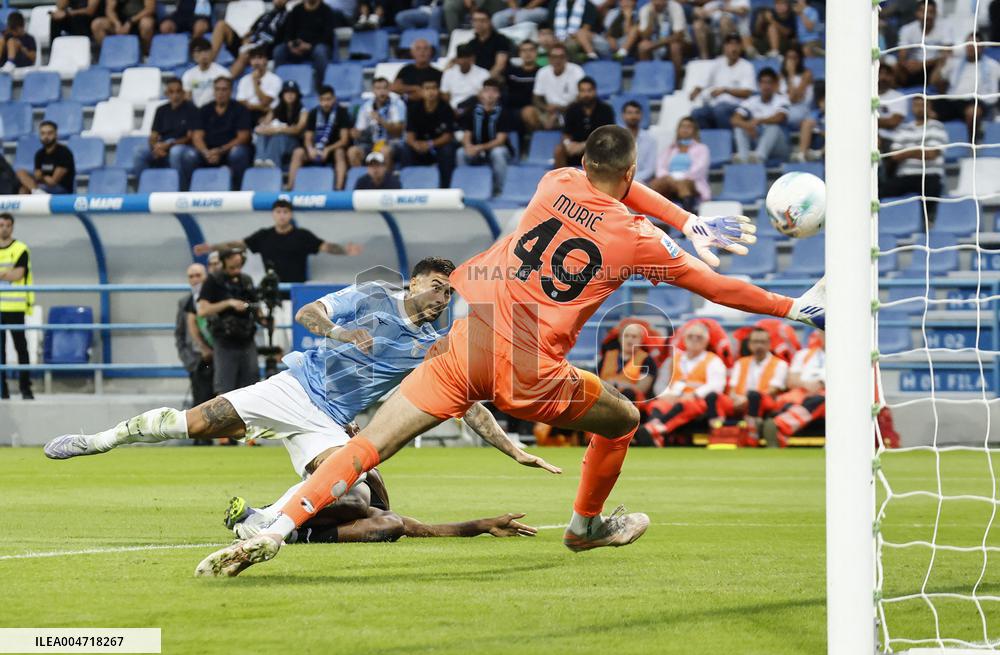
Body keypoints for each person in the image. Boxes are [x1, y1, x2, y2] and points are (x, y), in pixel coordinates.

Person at [194, 124, 828, 576]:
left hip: (471, 338)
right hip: (530, 369)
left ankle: (277, 526)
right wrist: (792, 307)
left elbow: (616, 183)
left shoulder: (554, 181)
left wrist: (685, 219)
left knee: (365, 447)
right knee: (623, 419)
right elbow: (716, 286)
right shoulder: (638, 239)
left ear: (584, 163)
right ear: (632, 172)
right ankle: (585, 527)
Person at [46, 260, 561, 533]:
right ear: (414, 283)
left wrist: (513, 449)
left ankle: (264, 519)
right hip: (293, 388)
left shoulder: (431, 347)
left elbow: (467, 404)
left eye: (449, 293)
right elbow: (307, 313)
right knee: (193, 423)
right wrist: (340, 333)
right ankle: (99, 440)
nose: (442, 298)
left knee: (357, 494)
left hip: (330, 421)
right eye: (436, 287)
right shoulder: (371, 296)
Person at [227, 468, 540, 544]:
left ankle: (283, 529)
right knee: (360, 499)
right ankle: (268, 518)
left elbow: (423, 529)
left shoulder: (370, 480)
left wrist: (484, 525)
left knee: (392, 523)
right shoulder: (332, 461)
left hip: (323, 514)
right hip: (314, 500)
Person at [193, 199, 362, 286]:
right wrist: (211, 248)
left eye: (285, 212)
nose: (282, 215)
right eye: (278, 212)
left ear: (291, 215)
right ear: (273, 214)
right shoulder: (263, 236)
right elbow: (237, 245)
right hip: (273, 292)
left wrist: (345, 250)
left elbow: (326, 246)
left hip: (296, 291)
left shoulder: (302, 236)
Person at [635, 322, 728, 446]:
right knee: (658, 405)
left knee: (685, 405)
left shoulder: (714, 360)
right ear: (684, 339)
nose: (694, 339)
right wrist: (667, 395)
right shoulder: (673, 359)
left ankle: (655, 429)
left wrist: (694, 394)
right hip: (673, 397)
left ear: (706, 341)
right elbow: (661, 383)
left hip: (698, 401)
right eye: (690, 336)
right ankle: (656, 436)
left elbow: (716, 385)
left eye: (699, 337)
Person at [195, 249, 260, 396]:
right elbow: (203, 310)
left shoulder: (246, 280)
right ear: (224, 262)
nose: (236, 270)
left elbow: (256, 306)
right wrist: (228, 303)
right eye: (232, 267)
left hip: (246, 338)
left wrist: (261, 315)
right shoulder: (213, 281)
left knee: (251, 387)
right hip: (225, 341)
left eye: (239, 266)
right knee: (225, 388)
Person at [881, 95, 946, 219]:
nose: (919, 108)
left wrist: (906, 152)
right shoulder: (903, 128)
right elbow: (894, 155)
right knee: (882, 190)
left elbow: (931, 154)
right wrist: (919, 151)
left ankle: (928, 222)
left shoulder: (937, 126)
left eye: (923, 105)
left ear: (929, 107)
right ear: (912, 108)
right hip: (905, 175)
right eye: (916, 105)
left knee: (931, 188)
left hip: (929, 174)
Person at [715, 327, 788, 431]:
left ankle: (752, 432)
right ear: (749, 344)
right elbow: (732, 389)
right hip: (739, 400)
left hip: (764, 401)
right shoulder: (740, 363)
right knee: (713, 397)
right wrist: (736, 398)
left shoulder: (780, 364)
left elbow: (772, 390)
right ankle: (718, 431)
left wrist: (747, 399)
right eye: (755, 342)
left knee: (754, 396)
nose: (759, 345)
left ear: (769, 344)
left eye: (762, 342)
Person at [187, 77, 253, 191]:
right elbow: (197, 136)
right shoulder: (204, 109)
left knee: (238, 153)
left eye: (224, 89)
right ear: (213, 91)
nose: (220, 93)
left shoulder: (240, 109)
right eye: (217, 89)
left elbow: (243, 137)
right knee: (183, 154)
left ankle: (238, 191)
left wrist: (220, 150)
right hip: (207, 152)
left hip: (230, 151)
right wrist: (206, 153)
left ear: (231, 91)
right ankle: (186, 191)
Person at [931, 33, 1000, 141]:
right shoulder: (954, 63)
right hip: (953, 100)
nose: (970, 47)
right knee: (927, 111)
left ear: (982, 47)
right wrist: (941, 61)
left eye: (974, 44)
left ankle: (974, 141)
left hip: (978, 101)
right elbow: (934, 82)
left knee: (972, 112)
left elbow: (994, 93)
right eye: (968, 44)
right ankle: (931, 141)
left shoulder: (993, 65)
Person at [285, 85, 353, 191]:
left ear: (334, 99)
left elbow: (344, 140)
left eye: (328, 99)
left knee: (339, 153)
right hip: (316, 149)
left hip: (332, 150)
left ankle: (339, 188)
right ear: (319, 100)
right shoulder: (313, 113)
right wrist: (310, 149)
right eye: (322, 100)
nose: (325, 103)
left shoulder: (342, 112)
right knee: (298, 152)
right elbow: (308, 137)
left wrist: (328, 149)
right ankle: (290, 188)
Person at [765, 331, 824, 448]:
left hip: (828, 395)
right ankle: (777, 429)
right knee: (789, 401)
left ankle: (779, 426)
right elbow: (791, 381)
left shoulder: (845, 356)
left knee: (820, 400)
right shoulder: (803, 354)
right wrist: (806, 384)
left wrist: (822, 384)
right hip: (801, 392)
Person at [458, 79, 514, 196]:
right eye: (487, 91)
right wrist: (468, 146)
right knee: (461, 153)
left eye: (494, 91)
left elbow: (500, 140)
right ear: (481, 93)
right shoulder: (472, 111)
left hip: (498, 149)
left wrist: (480, 148)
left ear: (498, 95)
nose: (490, 94)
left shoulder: (504, 112)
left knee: (497, 153)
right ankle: (464, 189)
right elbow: (466, 134)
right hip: (476, 150)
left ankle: (498, 191)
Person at [176, 263, 215, 432]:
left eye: (198, 275)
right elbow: (179, 333)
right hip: (196, 359)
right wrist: (188, 360)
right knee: (200, 402)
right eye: (191, 276)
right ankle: (200, 439)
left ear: (206, 277)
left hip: (219, 357)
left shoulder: (215, 299)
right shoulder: (184, 302)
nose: (195, 279)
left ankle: (227, 440)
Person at [690, 33, 756, 130]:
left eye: (736, 44)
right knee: (697, 113)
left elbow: (747, 92)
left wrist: (726, 90)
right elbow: (704, 81)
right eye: (730, 44)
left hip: (737, 107)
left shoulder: (747, 66)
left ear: (741, 47)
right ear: (724, 47)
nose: (733, 48)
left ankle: (728, 138)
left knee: (720, 109)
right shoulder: (718, 63)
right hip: (716, 106)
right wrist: (696, 90)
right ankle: (710, 138)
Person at [0, 213, 33, 400]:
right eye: (1, 225)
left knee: (21, 348)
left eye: (7, 225)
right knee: (0, 352)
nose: (4, 228)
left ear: (12, 227)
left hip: (15, 306)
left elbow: (18, 274)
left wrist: (7, 274)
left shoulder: (21, 249)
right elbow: (10, 274)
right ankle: (2, 390)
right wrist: (6, 273)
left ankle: (25, 389)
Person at [210, 0, 288, 79]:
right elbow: (250, 31)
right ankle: (208, 66)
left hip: (265, 50)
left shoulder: (288, 16)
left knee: (246, 53)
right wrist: (245, 40)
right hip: (251, 43)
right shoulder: (266, 15)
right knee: (221, 25)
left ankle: (225, 81)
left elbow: (284, 41)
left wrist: (255, 47)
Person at [402, 79, 457, 188]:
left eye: (434, 88)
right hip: (420, 144)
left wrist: (430, 144)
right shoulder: (413, 108)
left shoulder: (446, 108)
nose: (431, 92)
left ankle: (445, 187)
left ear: (438, 91)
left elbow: (448, 136)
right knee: (406, 149)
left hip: (438, 145)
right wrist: (415, 144)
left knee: (448, 150)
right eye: (427, 88)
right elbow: (409, 135)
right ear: (422, 91)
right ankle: (410, 185)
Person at [649, 116, 711, 211]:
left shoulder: (702, 148)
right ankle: (648, 217)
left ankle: (688, 216)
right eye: (682, 126)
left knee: (683, 185)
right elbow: (660, 166)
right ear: (678, 130)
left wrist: (680, 178)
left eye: (689, 127)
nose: (685, 129)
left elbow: (699, 169)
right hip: (669, 181)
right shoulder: (670, 149)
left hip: (691, 181)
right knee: (654, 184)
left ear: (695, 131)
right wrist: (668, 177)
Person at [730, 67, 790, 164]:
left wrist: (759, 121)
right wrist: (747, 125)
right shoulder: (751, 100)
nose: (766, 86)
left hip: (779, 146)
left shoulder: (782, 99)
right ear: (758, 84)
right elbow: (734, 119)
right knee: (739, 128)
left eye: (769, 83)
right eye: (763, 82)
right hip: (759, 140)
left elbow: (779, 118)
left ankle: (759, 159)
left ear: (775, 85)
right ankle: (743, 160)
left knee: (773, 127)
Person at [139, 77, 199, 173]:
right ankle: (145, 181)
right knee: (140, 152)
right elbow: (153, 135)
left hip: (182, 146)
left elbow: (190, 137)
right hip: (163, 145)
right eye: (171, 92)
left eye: (178, 91)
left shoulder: (191, 109)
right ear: (166, 94)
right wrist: (155, 147)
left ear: (183, 92)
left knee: (175, 152)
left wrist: (170, 145)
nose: (175, 95)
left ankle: (178, 182)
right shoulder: (161, 110)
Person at [273, 0, 336, 89]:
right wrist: (290, 44)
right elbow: (288, 31)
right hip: (297, 47)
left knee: (320, 51)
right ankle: (279, 87)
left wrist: (310, 46)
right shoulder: (296, 9)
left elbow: (327, 36)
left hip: (316, 47)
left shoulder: (327, 11)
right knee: (279, 51)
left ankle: (322, 87)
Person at [348, 77, 407, 170]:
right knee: (353, 151)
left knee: (384, 151)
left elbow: (397, 133)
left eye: (384, 88)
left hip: (393, 144)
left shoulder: (397, 104)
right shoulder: (366, 106)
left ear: (389, 89)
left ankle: (387, 178)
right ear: (373, 90)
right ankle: (362, 178)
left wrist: (381, 120)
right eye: (378, 88)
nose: (382, 92)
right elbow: (360, 130)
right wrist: (356, 133)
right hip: (372, 143)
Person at [555, 76, 614, 168]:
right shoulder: (572, 109)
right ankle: (564, 176)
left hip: (596, 149)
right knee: (559, 150)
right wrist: (568, 144)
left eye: (589, 90)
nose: (586, 94)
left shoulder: (606, 110)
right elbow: (566, 133)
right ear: (578, 93)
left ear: (595, 91)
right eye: (582, 91)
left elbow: (607, 136)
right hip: (575, 149)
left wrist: (584, 145)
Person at [895, 0, 952, 88]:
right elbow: (902, 55)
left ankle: (932, 92)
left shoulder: (945, 28)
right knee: (895, 66)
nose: (927, 15)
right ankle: (899, 92)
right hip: (912, 66)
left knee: (944, 65)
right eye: (923, 12)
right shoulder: (907, 29)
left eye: (931, 12)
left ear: (936, 13)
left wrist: (922, 64)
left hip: (934, 65)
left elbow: (946, 54)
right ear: (917, 13)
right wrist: (907, 64)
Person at [598, 322, 657, 405]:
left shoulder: (647, 360)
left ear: (641, 340)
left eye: (634, 336)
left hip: (632, 402)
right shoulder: (607, 356)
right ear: (620, 338)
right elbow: (596, 379)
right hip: (605, 398)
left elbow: (642, 388)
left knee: (628, 393)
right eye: (626, 336)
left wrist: (620, 384)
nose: (629, 340)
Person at [529, 43, 585, 130]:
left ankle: (559, 126)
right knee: (529, 113)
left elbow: (582, 96)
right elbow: (536, 98)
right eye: (554, 57)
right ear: (549, 59)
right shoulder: (542, 72)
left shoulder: (577, 70)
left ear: (566, 58)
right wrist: (546, 108)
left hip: (571, 109)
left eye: (561, 57)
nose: (557, 60)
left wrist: (561, 109)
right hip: (549, 110)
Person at [253, 80, 307, 169]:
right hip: (275, 138)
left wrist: (279, 129)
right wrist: (269, 129)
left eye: (293, 92)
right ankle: (260, 160)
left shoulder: (303, 111)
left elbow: (298, 129)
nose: (290, 95)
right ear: (282, 95)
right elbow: (262, 127)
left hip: (294, 143)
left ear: (297, 95)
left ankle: (272, 163)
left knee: (278, 137)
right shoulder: (276, 109)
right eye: (287, 92)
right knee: (262, 135)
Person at [16, 121, 75, 195]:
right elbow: (38, 176)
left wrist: (41, 177)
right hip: (42, 186)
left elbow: (53, 181)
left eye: (49, 133)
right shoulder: (39, 154)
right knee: (21, 177)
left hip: (61, 189)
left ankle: (37, 193)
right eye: (43, 133)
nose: (46, 136)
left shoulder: (64, 153)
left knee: (28, 189)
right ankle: (37, 193)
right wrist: (39, 178)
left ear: (56, 134)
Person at [637, 0, 687, 79]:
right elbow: (644, 36)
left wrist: (655, 44)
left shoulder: (675, 7)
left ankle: (676, 83)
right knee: (642, 46)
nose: (658, 2)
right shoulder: (645, 9)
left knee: (675, 47)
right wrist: (651, 18)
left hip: (677, 42)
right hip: (656, 41)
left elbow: (678, 35)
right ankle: (648, 81)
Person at [182, 37, 232, 109]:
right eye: (199, 51)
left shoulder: (223, 73)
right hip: (197, 111)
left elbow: (227, 99)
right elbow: (187, 99)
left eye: (206, 51)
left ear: (211, 52)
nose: (203, 54)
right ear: (193, 55)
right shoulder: (188, 75)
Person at [236, 47, 282, 122]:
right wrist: (260, 107)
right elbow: (241, 102)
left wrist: (255, 82)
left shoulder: (275, 79)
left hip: (267, 115)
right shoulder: (244, 80)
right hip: (247, 113)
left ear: (266, 60)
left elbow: (265, 102)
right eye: (253, 58)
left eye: (260, 58)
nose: (256, 62)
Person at [504, 40, 541, 132]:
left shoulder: (542, 72)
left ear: (536, 52)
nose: (527, 53)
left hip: (537, 108)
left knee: (529, 112)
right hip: (513, 109)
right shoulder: (511, 72)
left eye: (531, 50)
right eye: (524, 50)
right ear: (519, 53)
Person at [440, 43, 491, 111]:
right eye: (462, 58)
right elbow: (444, 95)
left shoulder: (484, 73)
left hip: (475, 109)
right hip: (453, 109)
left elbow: (485, 96)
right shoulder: (448, 73)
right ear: (457, 59)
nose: (464, 61)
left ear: (473, 58)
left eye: (467, 57)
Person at [464, 9, 512, 79]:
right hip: (476, 79)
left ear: (489, 22)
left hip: (495, 80)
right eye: (475, 20)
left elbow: (500, 66)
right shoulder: (471, 43)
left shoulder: (500, 40)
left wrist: (485, 81)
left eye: (482, 20)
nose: (478, 24)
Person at [619, 100, 655, 184]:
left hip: (643, 183)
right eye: (629, 113)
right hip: (619, 181)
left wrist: (633, 180)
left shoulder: (650, 140)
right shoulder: (616, 138)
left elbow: (650, 169)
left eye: (637, 112)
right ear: (623, 116)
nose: (633, 116)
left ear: (641, 115)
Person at [779, 43, 814, 127]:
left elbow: (794, 99)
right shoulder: (780, 75)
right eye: (789, 57)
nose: (792, 61)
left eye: (795, 58)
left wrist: (791, 74)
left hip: (800, 108)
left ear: (800, 59)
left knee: (779, 118)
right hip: (783, 107)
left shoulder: (807, 74)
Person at [790, 84, 824, 163]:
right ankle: (802, 154)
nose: (825, 104)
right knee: (806, 123)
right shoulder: (816, 113)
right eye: (823, 101)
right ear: (819, 103)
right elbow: (808, 123)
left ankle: (819, 153)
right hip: (819, 137)